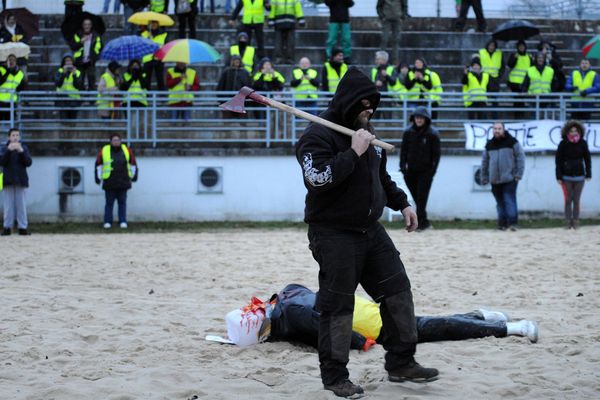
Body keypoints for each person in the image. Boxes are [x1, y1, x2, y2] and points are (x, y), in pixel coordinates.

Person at [295, 67, 439, 398]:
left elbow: (381, 178)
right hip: (332, 233)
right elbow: (318, 179)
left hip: (370, 230)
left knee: (398, 292)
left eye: (373, 105)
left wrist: (403, 204)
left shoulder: (366, 131)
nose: (369, 111)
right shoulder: (316, 136)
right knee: (337, 305)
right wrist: (353, 152)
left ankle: (402, 361)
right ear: (347, 103)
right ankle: (334, 376)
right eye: (364, 106)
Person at [259, 284, 539, 351]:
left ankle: (510, 328)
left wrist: (360, 343)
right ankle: (482, 315)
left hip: (375, 326)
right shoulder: (288, 293)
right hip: (366, 308)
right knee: (431, 324)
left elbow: (325, 330)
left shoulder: (292, 319)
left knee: (437, 328)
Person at [399, 106, 440, 231]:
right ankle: (425, 222)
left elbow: (436, 154)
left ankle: (420, 224)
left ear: (426, 119)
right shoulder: (408, 133)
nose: (419, 120)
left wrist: (432, 171)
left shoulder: (433, 134)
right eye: (417, 117)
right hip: (410, 171)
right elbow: (403, 151)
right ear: (413, 119)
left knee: (422, 198)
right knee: (418, 198)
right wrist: (403, 167)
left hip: (426, 172)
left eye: (421, 117)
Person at [480, 122, 525, 231]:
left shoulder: (512, 142)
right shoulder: (489, 145)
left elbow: (520, 157)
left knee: (509, 201)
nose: (497, 130)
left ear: (504, 129)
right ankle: (502, 224)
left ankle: (513, 224)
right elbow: (484, 162)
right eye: (495, 128)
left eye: (499, 128)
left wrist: (518, 174)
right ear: (492, 130)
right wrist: (484, 176)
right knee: (499, 203)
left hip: (509, 178)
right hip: (494, 180)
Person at [95, 133, 138, 229]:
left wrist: (134, 176)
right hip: (109, 182)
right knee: (109, 203)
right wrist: (97, 178)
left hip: (123, 181)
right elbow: (98, 164)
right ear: (110, 141)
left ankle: (122, 221)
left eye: (118, 140)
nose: (116, 142)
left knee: (122, 203)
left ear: (120, 141)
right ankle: (107, 222)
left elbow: (133, 163)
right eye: (114, 140)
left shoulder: (127, 150)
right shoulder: (104, 150)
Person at [555, 120, 592, 230]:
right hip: (566, 177)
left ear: (579, 131)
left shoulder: (583, 143)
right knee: (568, 199)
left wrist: (588, 173)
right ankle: (567, 221)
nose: (574, 133)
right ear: (567, 132)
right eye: (571, 131)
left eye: (576, 131)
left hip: (580, 177)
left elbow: (587, 159)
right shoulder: (563, 144)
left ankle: (575, 221)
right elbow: (558, 160)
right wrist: (558, 176)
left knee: (576, 200)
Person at [0, 128, 32, 236]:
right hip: (7, 180)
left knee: (21, 205)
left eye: (17, 135)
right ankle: (7, 227)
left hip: (21, 180)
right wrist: (9, 151)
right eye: (13, 135)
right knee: (8, 206)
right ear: (8, 137)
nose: (15, 137)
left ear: (19, 137)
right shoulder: (4, 149)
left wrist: (21, 152)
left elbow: (28, 163)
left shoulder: (24, 148)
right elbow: (2, 162)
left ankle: (23, 228)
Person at [68, 18, 103, 90]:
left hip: (91, 61)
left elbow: (99, 48)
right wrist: (81, 42)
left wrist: (94, 57)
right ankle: (81, 98)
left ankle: (91, 99)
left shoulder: (96, 35)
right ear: (82, 25)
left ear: (91, 26)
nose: (87, 26)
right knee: (79, 81)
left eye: (88, 24)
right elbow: (73, 46)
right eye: (85, 24)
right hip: (79, 61)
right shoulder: (78, 34)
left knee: (91, 80)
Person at [268, 0, 304, 65]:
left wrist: (300, 18)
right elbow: (272, 9)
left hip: (290, 23)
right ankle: (278, 59)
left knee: (290, 43)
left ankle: (290, 59)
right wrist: (271, 19)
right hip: (279, 23)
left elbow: (298, 8)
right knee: (278, 43)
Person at [120, 59, 148, 134]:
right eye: (133, 66)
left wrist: (138, 75)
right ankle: (129, 134)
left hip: (141, 101)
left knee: (140, 122)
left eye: (137, 66)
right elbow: (124, 88)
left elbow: (145, 86)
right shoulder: (125, 75)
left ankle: (139, 135)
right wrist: (132, 76)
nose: (135, 67)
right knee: (129, 121)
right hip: (128, 101)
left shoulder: (143, 74)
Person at [0, 13, 30, 79]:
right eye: (10, 19)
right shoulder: (2, 31)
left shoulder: (20, 29)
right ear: (7, 20)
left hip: (20, 58)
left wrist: (19, 40)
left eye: (13, 19)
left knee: (23, 75)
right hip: (7, 60)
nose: (12, 20)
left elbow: (25, 41)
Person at [55, 54, 84, 120]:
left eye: (70, 61)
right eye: (67, 61)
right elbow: (58, 84)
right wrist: (63, 74)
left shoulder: (77, 72)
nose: (68, 63)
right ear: (64, 63)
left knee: (73, 121)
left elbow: (78, 86)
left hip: (74, 100)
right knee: (64, 121)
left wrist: (74, 75)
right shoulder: (60, 71)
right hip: (62, 100)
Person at [506, 40, 531, 117]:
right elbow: (509, 65)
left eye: (523, 46)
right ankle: (516, 117)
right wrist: (514, 58)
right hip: (515, 82)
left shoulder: (529, 56)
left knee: (522, 101)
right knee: (516, 101)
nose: (521, 48)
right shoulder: (514, 55)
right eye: (520, 46)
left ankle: (521, 116)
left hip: (524, 82)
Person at [141, 20, 167, 91]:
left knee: (160, 79)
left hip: (159, 59)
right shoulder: (144, 34)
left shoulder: (163, 34)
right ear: (149, 25)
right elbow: (141, 46)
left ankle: (162, 97)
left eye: (155, 24)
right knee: (146, 80)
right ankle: (146, 97)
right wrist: (148, 38)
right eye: (152, 24)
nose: (153, 25)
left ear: (158, 25)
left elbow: (166, 46)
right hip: (147, 59)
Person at [0, 55, 26, 121]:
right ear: (6, 61)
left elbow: (21, 87)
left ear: (16, 62)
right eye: (10, 60)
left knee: (10, 122)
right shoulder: (1, 69)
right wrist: (7, 72)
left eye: (13, 60)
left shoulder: (20, 73)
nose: (11, 62)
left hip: (12, 101)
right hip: (0, 101)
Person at [478, 39, 503, 107]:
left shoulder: (499, 53)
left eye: (493, 46)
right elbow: (476, 64)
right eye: (490, 45)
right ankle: (484, 116)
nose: (491, 47)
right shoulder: (481, 52)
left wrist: (499, 76)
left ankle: (494, 116)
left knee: (494, 100)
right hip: (484, 78)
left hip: (495, 79)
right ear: (487, 45)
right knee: (483, 99)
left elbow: (503, 66)